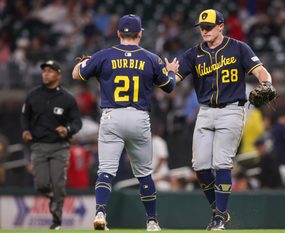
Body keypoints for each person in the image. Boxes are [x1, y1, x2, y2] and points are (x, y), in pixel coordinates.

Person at [72, 14, 178, 231]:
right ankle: (152, 222)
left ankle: (101, 212)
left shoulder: (104, 55)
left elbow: (76, 75)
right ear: (140, 34)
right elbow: (169, 87)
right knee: (144, 174)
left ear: (119, 33)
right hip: (139, 118)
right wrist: (172, 73)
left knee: (106, 171)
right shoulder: (151, 58)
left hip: (112, 116)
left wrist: (84, 63)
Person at [175, 9, 274, 230]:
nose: (204, 31)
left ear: (221, 26)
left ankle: (219, 219)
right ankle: (217, 210)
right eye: (202, 27)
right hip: (205, 110)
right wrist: (167, 73)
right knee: (200, 166)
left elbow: (260, 70)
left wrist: (267, 83)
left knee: (221, 163)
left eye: (209, 26)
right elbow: (172, 80)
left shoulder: (238, 47)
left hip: (231, 110)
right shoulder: (194, 53)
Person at [20, 60, 82, 230]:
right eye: (44, 71)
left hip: (60, 147)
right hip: (38, 145)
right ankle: (51, 197)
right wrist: (25, 130)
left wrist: (67, 129)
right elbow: (24, 116)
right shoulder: (33, 95)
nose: (46, 73)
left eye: (50, 71)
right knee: (41, 184)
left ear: (58, 75)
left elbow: (77, 122)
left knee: (59, 185)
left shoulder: (67, 98)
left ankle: (57, 221)